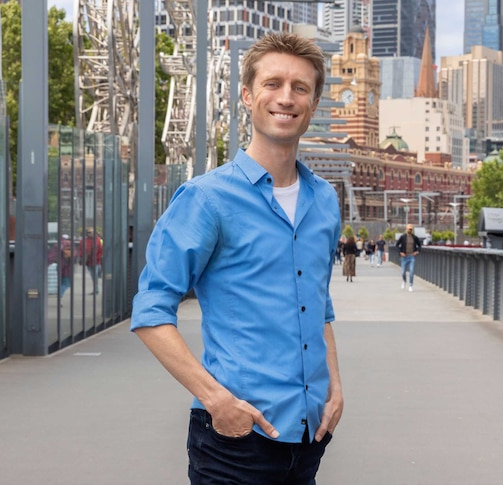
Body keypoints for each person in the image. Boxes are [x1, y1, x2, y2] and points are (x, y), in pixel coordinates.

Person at [130, 33, 343, 484]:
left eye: (300, 88)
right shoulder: (207, 199)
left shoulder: (324, 200)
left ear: (315, 101)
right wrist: (216, 400)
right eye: (272, 84)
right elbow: (151, 309)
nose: (285, 98)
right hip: (236, 440)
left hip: (308, 435)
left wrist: (335, 387)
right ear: (247, 95)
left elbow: (318, 303)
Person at [396, 224, 422, 292]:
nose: (409, 230)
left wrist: (417, 252)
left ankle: (410, 285)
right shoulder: (403, 237)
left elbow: (419, 245)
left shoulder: (414, 237)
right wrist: (400, 252)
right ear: (406, 229)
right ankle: (404, 281)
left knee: (411, 271)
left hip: (411, 256)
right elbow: (397, 245)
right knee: (403, 272)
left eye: (411, 229)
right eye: (408, 229)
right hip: (404, 257)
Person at [81, 227, 102, 294]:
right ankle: (96, 289)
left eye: (90, 232)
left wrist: (98, 257)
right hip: (88, 261)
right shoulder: (84, 241)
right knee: (93, 275)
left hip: (96, 260)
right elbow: (81, 250)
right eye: (88, 232)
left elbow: (100, 250)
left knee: (95, 275)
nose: (88, 233)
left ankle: (96, 289)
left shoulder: (98, 240)